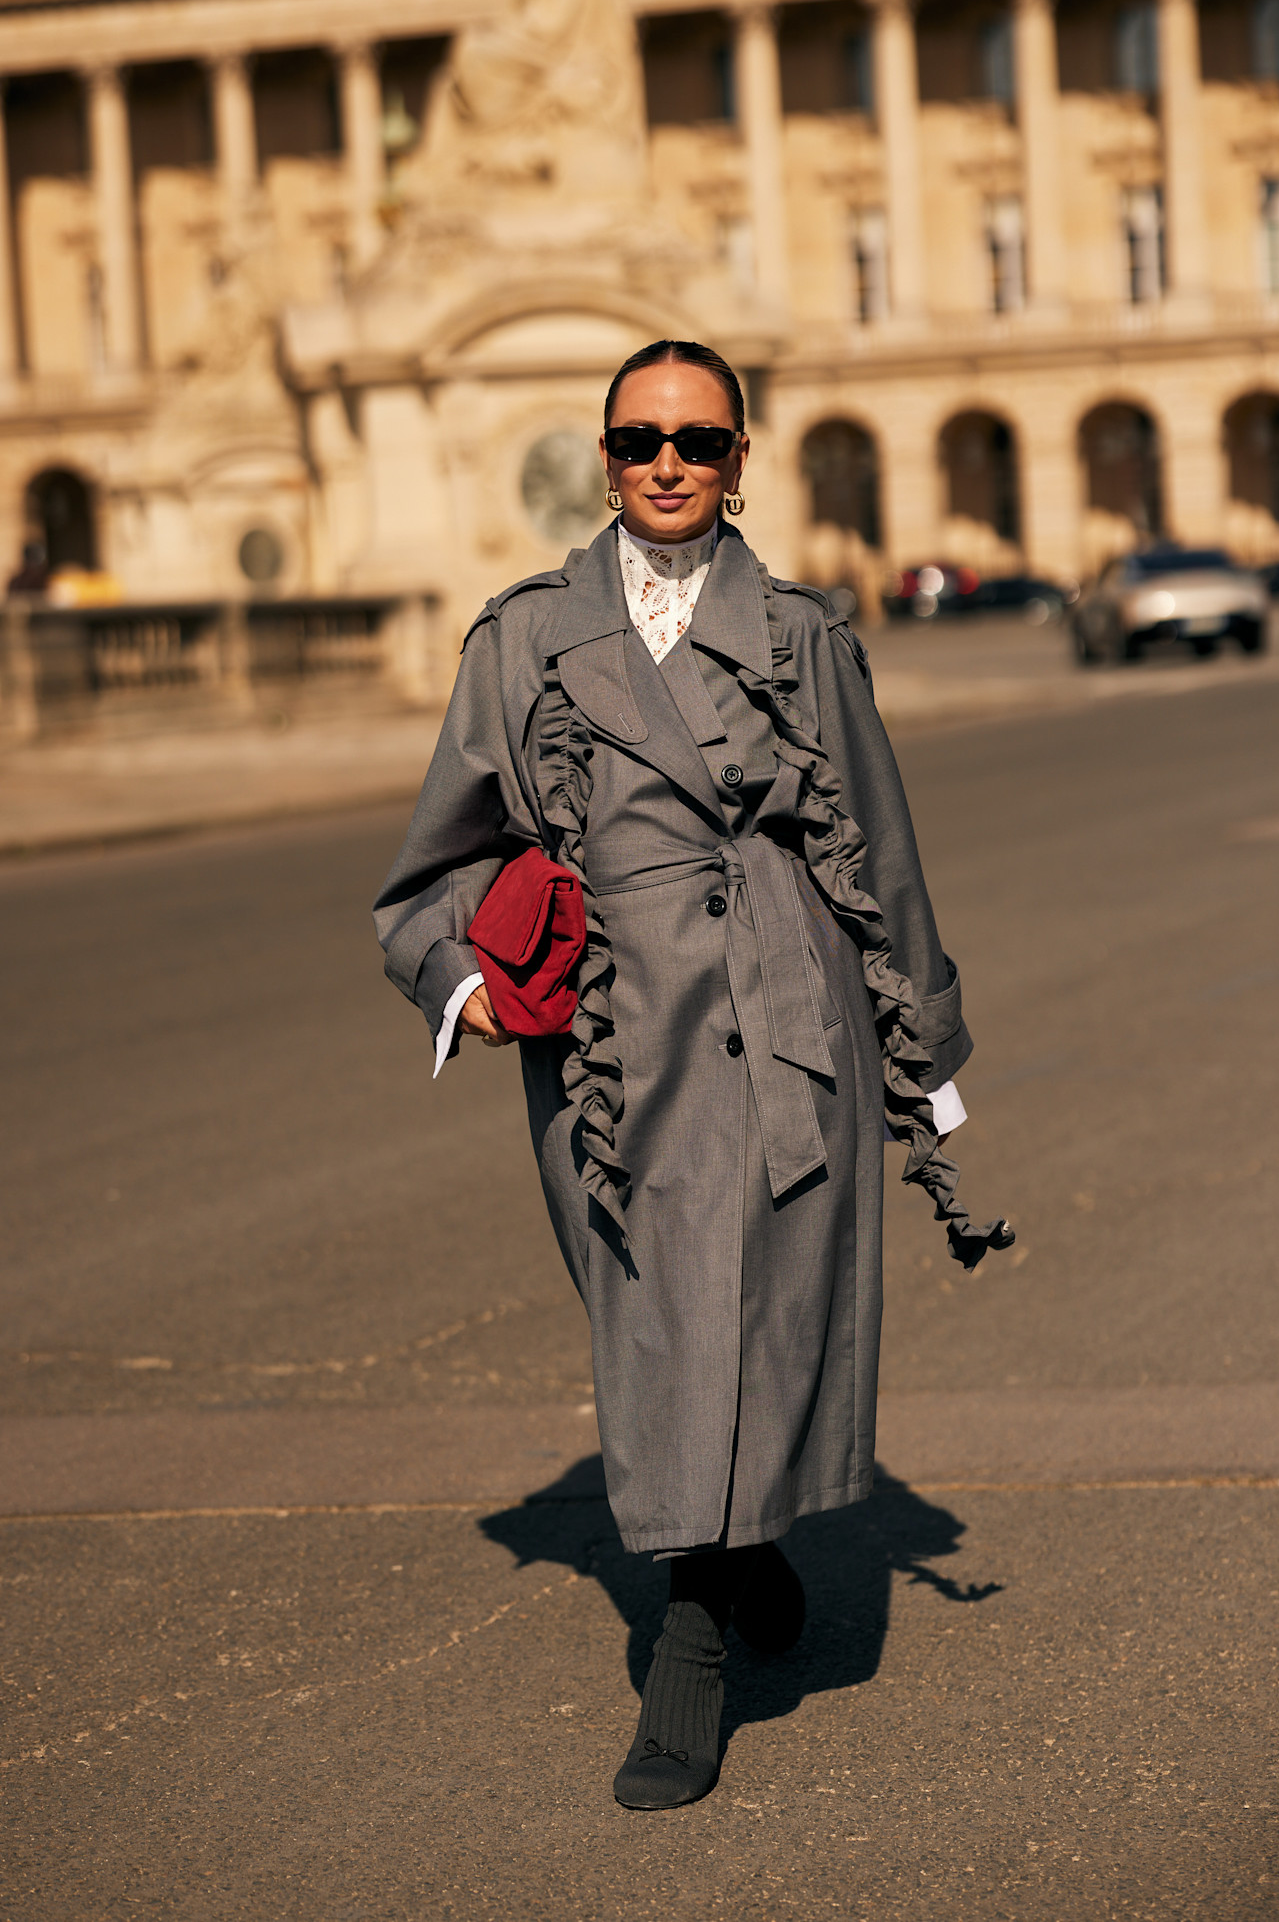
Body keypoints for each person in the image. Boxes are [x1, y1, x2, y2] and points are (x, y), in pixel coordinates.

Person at [373, 339, 1010, 1810]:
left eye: (700, 441)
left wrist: (925, 1057)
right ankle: (739, 1550)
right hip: (611, 1037)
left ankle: (691, 1641)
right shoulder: (522, 637)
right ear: (605, 457)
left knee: (768, 1309)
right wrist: (459, 978)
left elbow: (883, 852)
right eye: (640, 438)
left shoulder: (803, 631)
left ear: (739, 459)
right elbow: (433, 861)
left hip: (790, 1010)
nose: (669, 464)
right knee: (657, 1317)